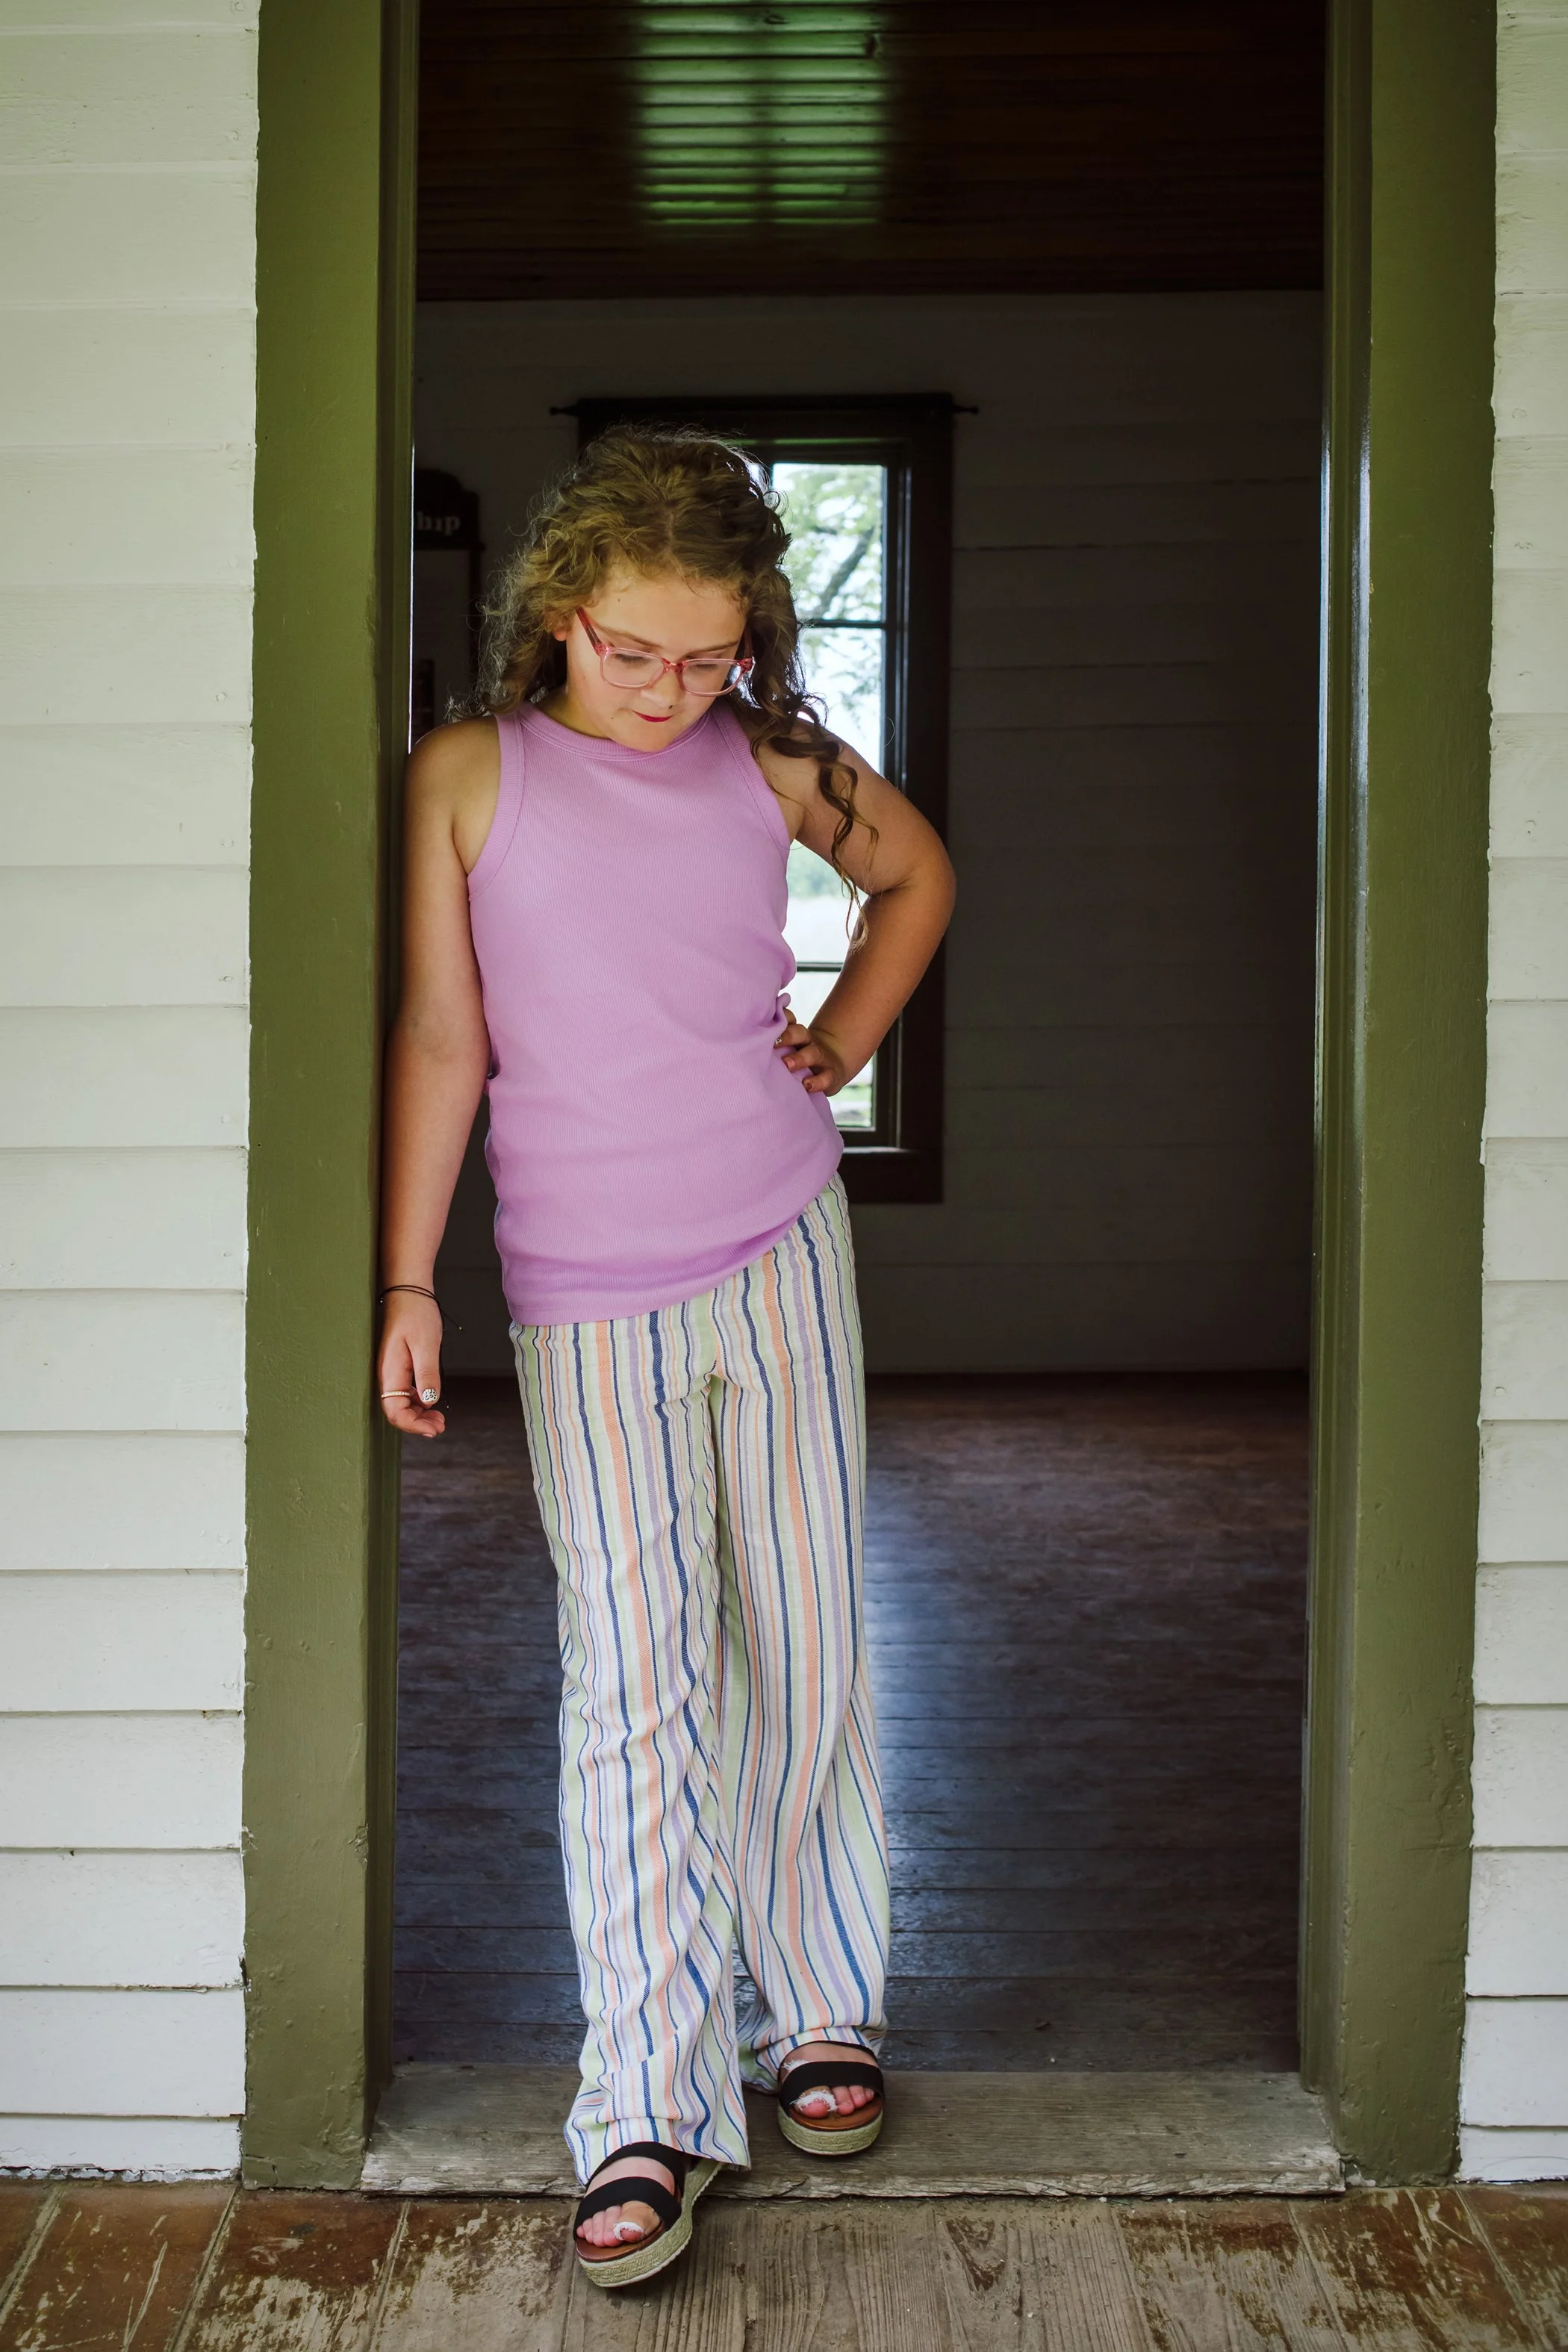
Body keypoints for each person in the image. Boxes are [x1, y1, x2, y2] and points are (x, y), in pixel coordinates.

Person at [377, 429, 954, 2289]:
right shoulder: (468, 775)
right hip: (581, 1295)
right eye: (634, 651)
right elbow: (443, 1036)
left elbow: (918, 878)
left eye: (711, 657)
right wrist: (408, 1280)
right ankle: (647, 2098)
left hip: (783, 1251)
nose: (668, 688)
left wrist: (844, 1041)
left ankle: (821, 2010)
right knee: (633, 1690)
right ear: (560, 612)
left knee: (805, 1637)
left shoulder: (771, 759)